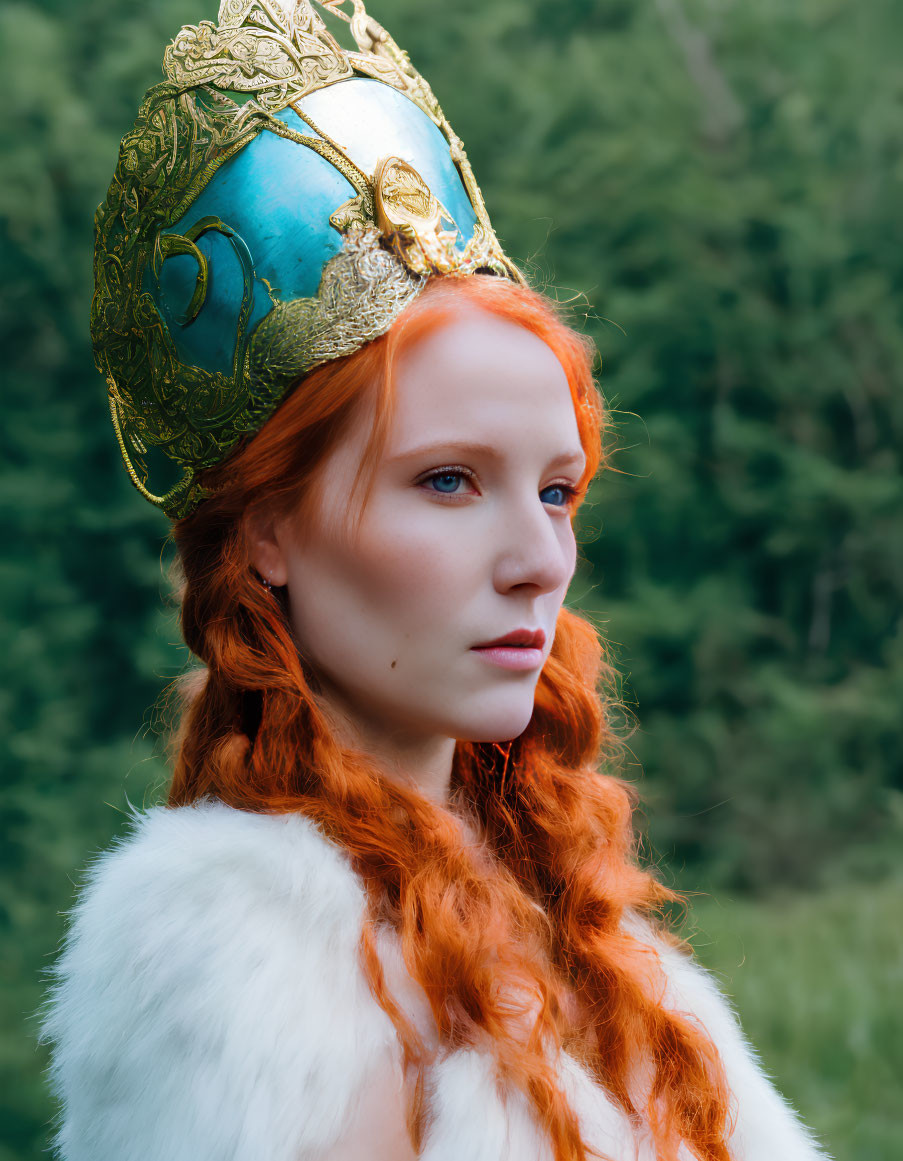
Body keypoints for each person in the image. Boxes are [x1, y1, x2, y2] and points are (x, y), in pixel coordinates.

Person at [40, 2, 831, 1159]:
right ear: (268, 535)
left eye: (556, 491)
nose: (540, 560)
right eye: (450, 481)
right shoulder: (230, 955)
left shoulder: (589, 929)